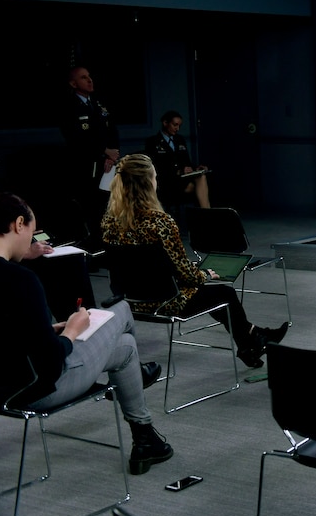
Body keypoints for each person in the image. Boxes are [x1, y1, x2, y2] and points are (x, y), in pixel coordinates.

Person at [0, 192, 173, 476]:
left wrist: (47, 331)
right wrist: (72, 332)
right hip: (36, 389)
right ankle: (139, 387)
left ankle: (146, 438)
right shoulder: (20, 281)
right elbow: (52, 362)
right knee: (122, 313)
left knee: (125, 348)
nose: (31, 240)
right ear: (18, 224)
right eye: (31, 231)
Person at [100, 154, 287, 369]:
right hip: (166, 300)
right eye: (155, 177)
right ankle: (251, 341)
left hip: (128, 300)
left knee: (212, 294)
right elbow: (185, 273)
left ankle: (253, 338)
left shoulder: (109, 221)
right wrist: (205, 274)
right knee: (224, 293)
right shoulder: (161, 222)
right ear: (147, 182)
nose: (156, 181)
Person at [59, 66, 120, 242]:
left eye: (90, 76)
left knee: (109, 204)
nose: (90, 80)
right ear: (73, 83)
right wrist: (103, 150)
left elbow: (113, 131)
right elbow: (77, 137)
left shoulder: (98, 104)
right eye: (84, 77)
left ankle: (109, 243)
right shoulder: (69, 106)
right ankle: (95, 245)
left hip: (107, 164)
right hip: (84, 165)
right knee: (92, 206)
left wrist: (111, 155)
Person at [144, 110, 211, 209]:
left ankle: (206, 215)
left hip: (182, 179)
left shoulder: (180, 140)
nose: (177, 128)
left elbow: (186, 162)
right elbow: (155, 167)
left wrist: (196, 168)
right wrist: (178, 171)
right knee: (200, 186)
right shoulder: (152, 141)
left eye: (179, 125)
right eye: (175, 125)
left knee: (202, 177)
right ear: (165, 123)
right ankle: (208, 215)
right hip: (167, 181)